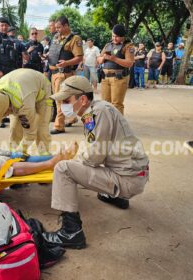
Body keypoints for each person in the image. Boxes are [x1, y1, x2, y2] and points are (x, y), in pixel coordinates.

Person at [41, 75, 149, 249]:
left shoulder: (97, 113)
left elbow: (94, 157)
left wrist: (70, 159)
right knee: (81, 161)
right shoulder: (98, 109)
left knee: (63, 169)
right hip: (134, 172)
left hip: (129, 179)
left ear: (82, 99)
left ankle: (71, 232)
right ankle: (115, 196)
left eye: (66, 100)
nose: (62, 105)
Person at [48, 16, 83, 134]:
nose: (56, 29)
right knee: (68, 99)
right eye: (56, 27)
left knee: (60, 99)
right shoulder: (56, 37)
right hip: (54, 73)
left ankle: (59, 126)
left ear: (66, 26)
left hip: (64, 74)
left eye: (59, 27)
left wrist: (66, 63)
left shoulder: (75, 39)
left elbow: (79, 57)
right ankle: (72, 118)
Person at [97, 24, 135, 115]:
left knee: (116, 104)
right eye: (113, 35)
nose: (114, 38)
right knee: (105, 104)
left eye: (117, 36)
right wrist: (103, 58)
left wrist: (114, 59)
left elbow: (129, 63)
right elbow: (99, 59)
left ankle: (118, 127)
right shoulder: (108, 45)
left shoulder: (128, 46)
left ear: (122, 36)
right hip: (105, 77)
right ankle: (108, 124)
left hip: (119, 78)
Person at [0, 17, 18, 82]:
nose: (4, 27)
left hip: (10, 69)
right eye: (2, 25)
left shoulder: (10, 39)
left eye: (6, 25)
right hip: (0, 70)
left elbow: (13, 55)